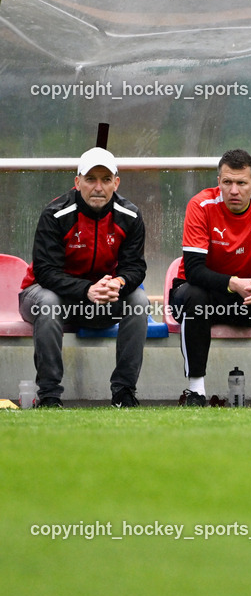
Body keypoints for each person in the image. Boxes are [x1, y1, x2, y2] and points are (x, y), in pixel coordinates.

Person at [171, 149, 251, 406]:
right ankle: (195, 392)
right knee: (195, 298)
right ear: (218, 181)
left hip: (248, 296)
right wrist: (234, 284)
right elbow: (194, 270)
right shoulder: (200, 205)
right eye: (227, 182)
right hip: (203, 293)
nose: (233, 190)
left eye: (241, 183)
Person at [19, 146, 148, 408]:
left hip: (101, 300)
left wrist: (118, 283)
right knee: (49, 302)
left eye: (105, 180)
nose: (98, 187)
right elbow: (45, 272)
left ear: (116, 183)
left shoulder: (130, 216)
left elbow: (135, 267)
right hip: (45, 294)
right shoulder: (55, 214)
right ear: (77, 182)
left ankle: (124, 392)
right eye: (90, 179)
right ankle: (50, 395)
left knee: (140, 301)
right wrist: (87, 289)